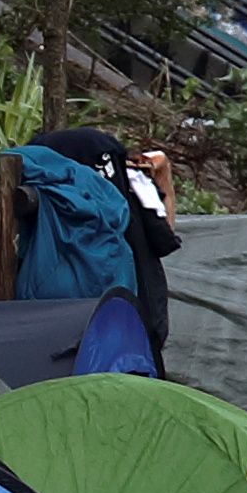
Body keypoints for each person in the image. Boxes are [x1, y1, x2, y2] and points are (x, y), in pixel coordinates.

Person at [40, 128, 180, 365]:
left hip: (52, 352)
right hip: (134, 346)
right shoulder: (128, 190)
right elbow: (164, 233)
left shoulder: (38, 203)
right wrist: (163, 175)